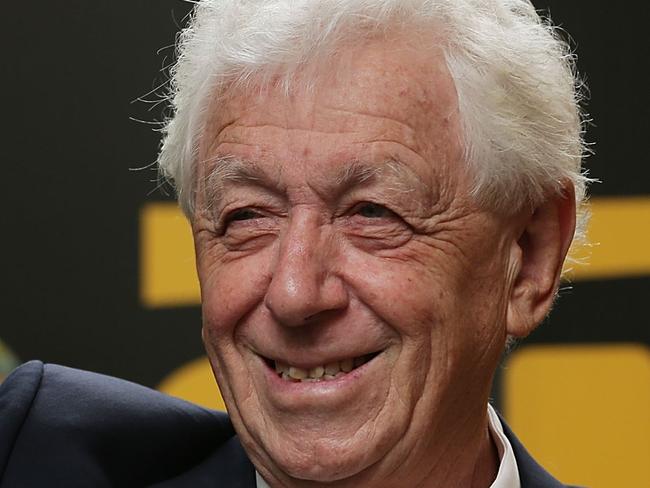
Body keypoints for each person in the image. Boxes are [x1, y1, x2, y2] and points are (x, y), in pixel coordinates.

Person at [0, 1, 589, 487]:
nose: (293, 292)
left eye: (372, 213)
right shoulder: (42, 459)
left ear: (529, 257)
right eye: (248, 215)